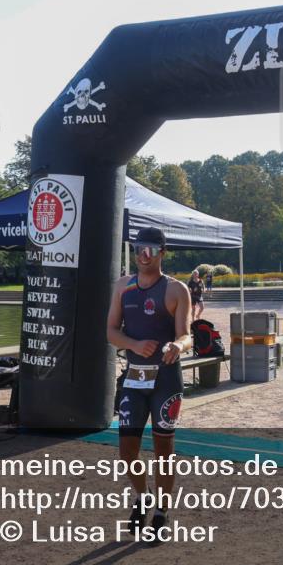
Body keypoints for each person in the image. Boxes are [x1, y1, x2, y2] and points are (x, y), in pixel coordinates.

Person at [106, 226, 192, 538]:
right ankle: (143, 498)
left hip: (166, 380)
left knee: (163, 451)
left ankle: (162, 512)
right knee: (127, 451)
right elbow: (111, 331)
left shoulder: (175, 290)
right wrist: (133, 344)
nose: (144, 255)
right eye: (139, 248)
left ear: (162, 253)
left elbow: (187, 334)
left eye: (151, 249)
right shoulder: (123, 286)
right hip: (135, 378)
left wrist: (176, 346)